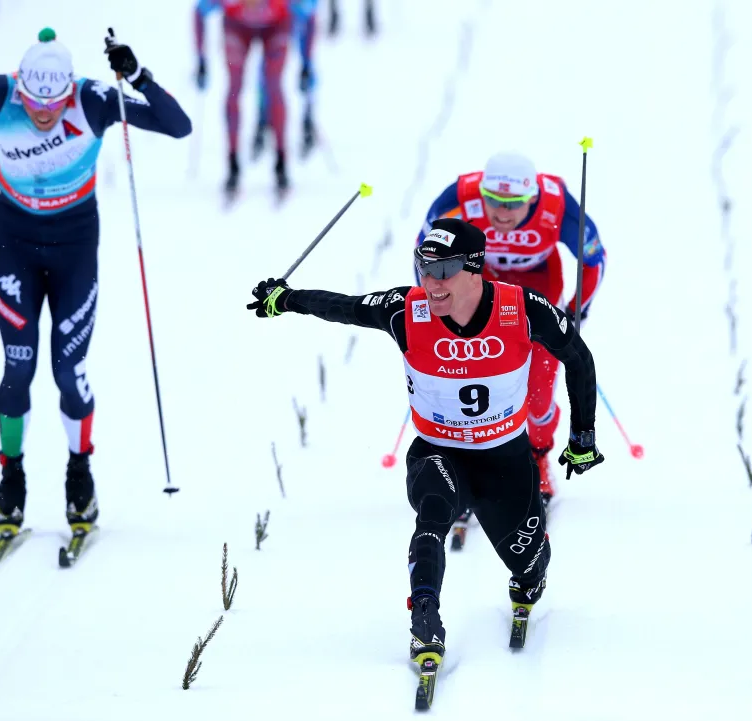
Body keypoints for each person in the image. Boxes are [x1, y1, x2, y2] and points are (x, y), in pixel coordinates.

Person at [247, 217, 604, 664]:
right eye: (424, 269)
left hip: (505, 458)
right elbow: (345, 306)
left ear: (476, 269)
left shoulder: (523, 308)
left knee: (530, 565)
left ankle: (527, 581)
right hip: (438, 450)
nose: (431, 283)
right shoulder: (406, 309)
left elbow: (579, 358)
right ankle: (425, 619)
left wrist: (583, 436)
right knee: (432, 513)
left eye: (444, 270)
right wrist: (287, 299)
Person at [0, 28, 191, 538]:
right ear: (21, 88)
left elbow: (177, 126)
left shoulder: (93, 98)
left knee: (68, 370)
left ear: (69, 89)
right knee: (17, 368)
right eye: (33, 102)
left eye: (53, 103)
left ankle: (80, 471)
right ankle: (12, 477)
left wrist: (137, 76)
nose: (43, 113)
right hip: (16, 245)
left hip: (76, 250)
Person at [415, 152, 606, 516]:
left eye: (514, 204)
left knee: (536, 395)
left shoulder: (557, 207)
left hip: (539, 286)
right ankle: (465, 464)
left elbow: (595, 260)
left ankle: (537, 461)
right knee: (468, 378)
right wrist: (436, 303)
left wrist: (576, 310)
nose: (502, 213)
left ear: (531, 197)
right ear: (481, 193)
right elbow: (423, 253)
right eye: (494, 201)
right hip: (478, 284)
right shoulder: (459, 199)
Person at [195, 0, 292, 196]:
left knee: (273, 86)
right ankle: (233, 163)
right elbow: (199, 12)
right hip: (237, 27)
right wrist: (201, 58)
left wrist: (308, 63)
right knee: (234, 87)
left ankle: (281, 161)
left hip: (276, 26)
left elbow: (310, 10)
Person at [252, 0, 318, 158]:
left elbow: (310, 14)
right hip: (276, 18)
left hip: (297, 15)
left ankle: (308, 117)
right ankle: (262, 118)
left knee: (307, 66)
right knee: (266, 69)